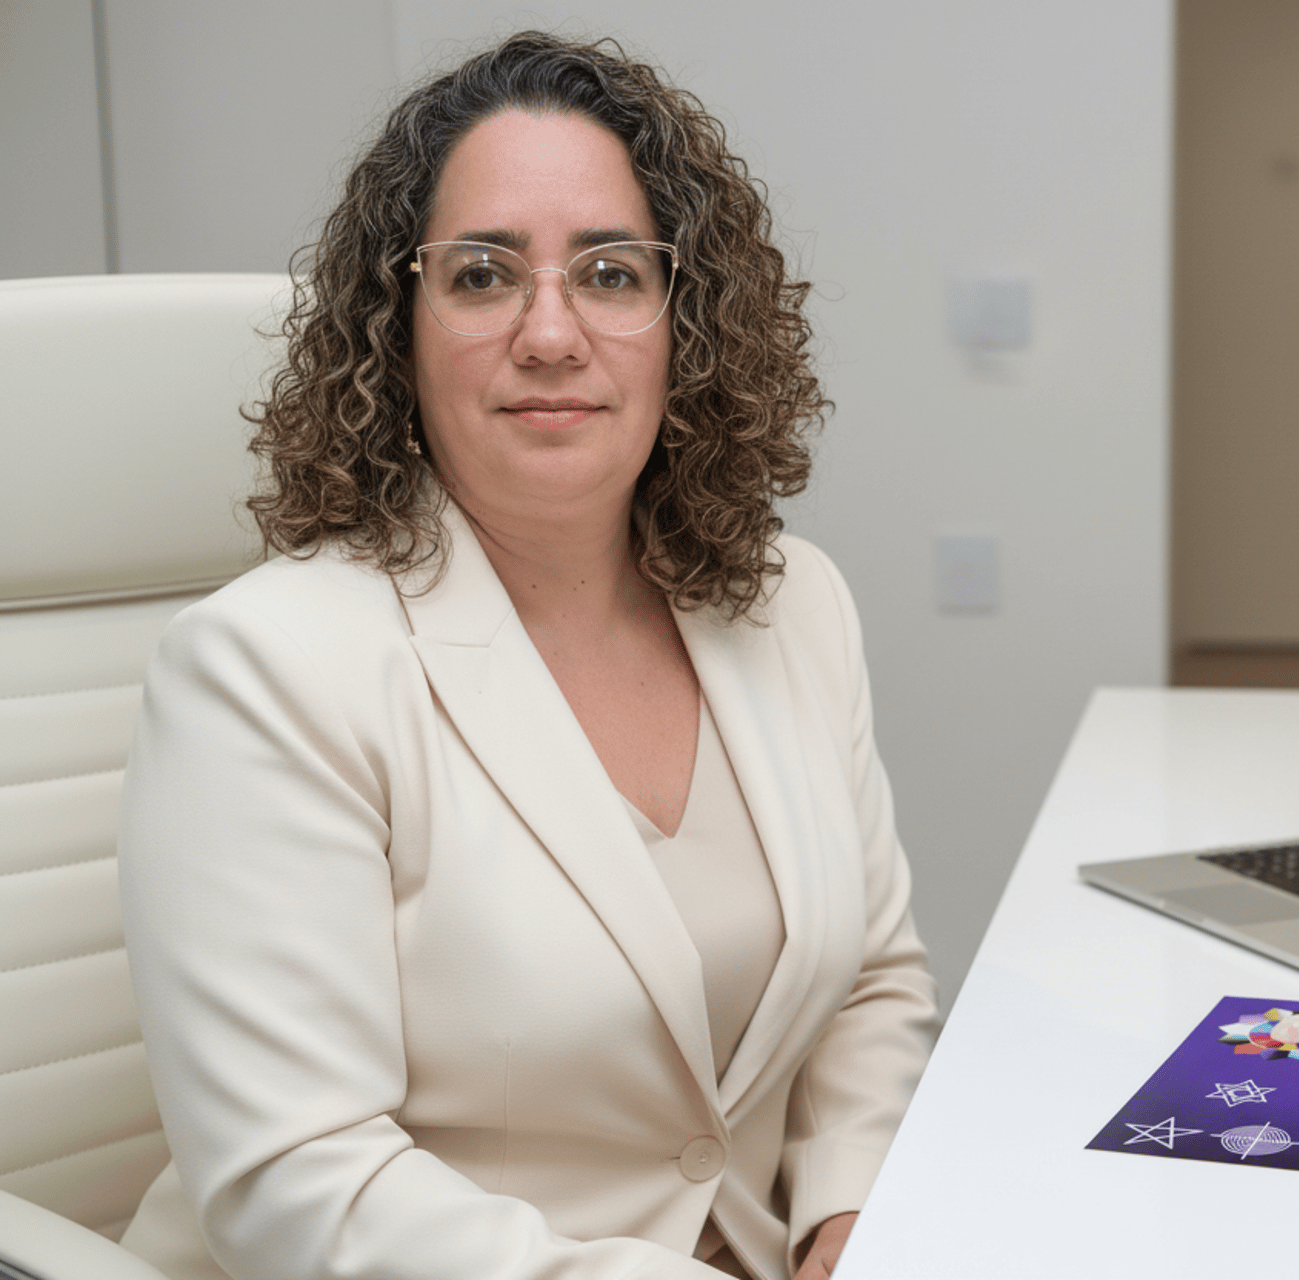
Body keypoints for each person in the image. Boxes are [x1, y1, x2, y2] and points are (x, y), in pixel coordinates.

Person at [116, 31, 937, 1280]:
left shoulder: (791, 604)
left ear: (686, 324)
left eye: (610, 273)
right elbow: (298, 1179)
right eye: (485, 275)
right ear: (399, 326)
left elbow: (870, 980)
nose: (551, 334)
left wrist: (849, 1212)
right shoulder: (266, 668)